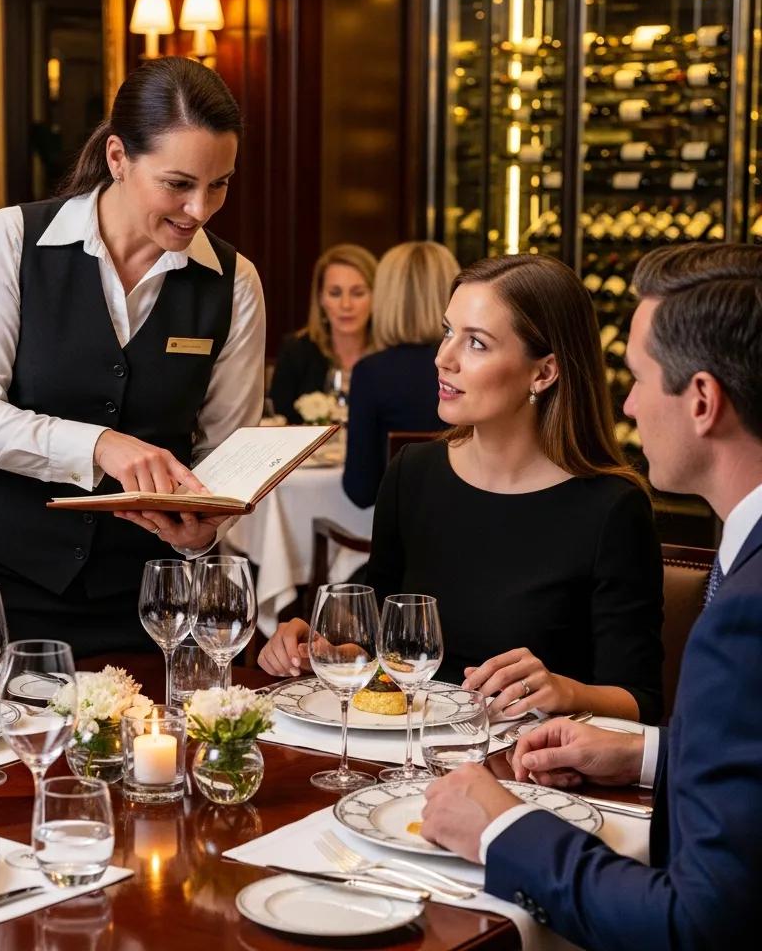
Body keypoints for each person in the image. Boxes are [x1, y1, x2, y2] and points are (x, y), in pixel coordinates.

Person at [421, 243, 762, 950]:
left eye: (637, 378)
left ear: (702, 400)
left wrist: (501, 829)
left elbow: (694, 925)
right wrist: (644, 756)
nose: (628, 402)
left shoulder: (746, 612)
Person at [0, 57, 265, 656]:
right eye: (178, 183)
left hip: (151, 596)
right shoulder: (14, 240)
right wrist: (97, 445)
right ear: (117, 158)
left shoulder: (234, 282)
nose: (201, 209)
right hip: (4, 583)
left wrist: (204, 527)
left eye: (218, 184)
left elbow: (227, 452)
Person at [259, 254, 663, 724]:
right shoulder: (413, 474)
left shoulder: (612, 508)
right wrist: (321, 651)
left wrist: (565, 690)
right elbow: (375, 641)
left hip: (529, 770)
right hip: (404, 754)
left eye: (476, 343)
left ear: (544, 373)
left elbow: (642, 701)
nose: (443, 358)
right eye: (448, 332)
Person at [342, 241, 459, 508]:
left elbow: (360, 492)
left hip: (403, 536)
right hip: (475, 523)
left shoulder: (372, 373)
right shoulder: (472, 366)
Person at [268, 244, 376, 423]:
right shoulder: (296, 351)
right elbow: (279, 421)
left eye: (358, 293)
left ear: (376, 297)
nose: (346, 305)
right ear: (320, 299)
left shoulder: (391, 353)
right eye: (335, 293)